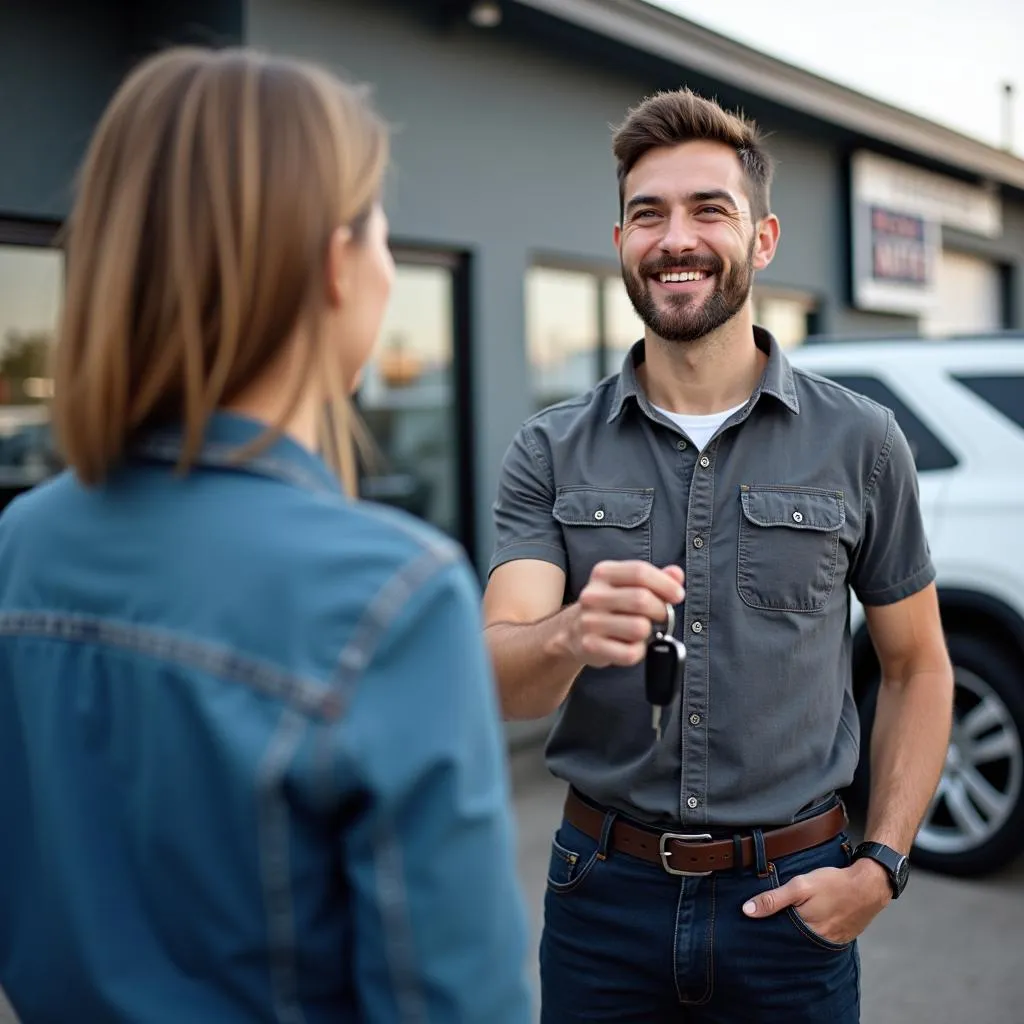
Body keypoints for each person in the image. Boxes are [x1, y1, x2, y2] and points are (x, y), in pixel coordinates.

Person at [0, 47, 531, 1024]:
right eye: (379, 226)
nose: (386, 262)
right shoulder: (391, 595)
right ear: (335, 265)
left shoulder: (21, 545)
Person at [483, 88, 954, 1023]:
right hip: (601, 901)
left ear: (763, 239)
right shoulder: (549, 449)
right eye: (648, 214)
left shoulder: (862, 442)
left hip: (795, 905)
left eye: (710, 210)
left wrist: (883, 866)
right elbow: (503, 683)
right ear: (619, 241)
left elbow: (917, 667)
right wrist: (574, 630)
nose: (676, 238)